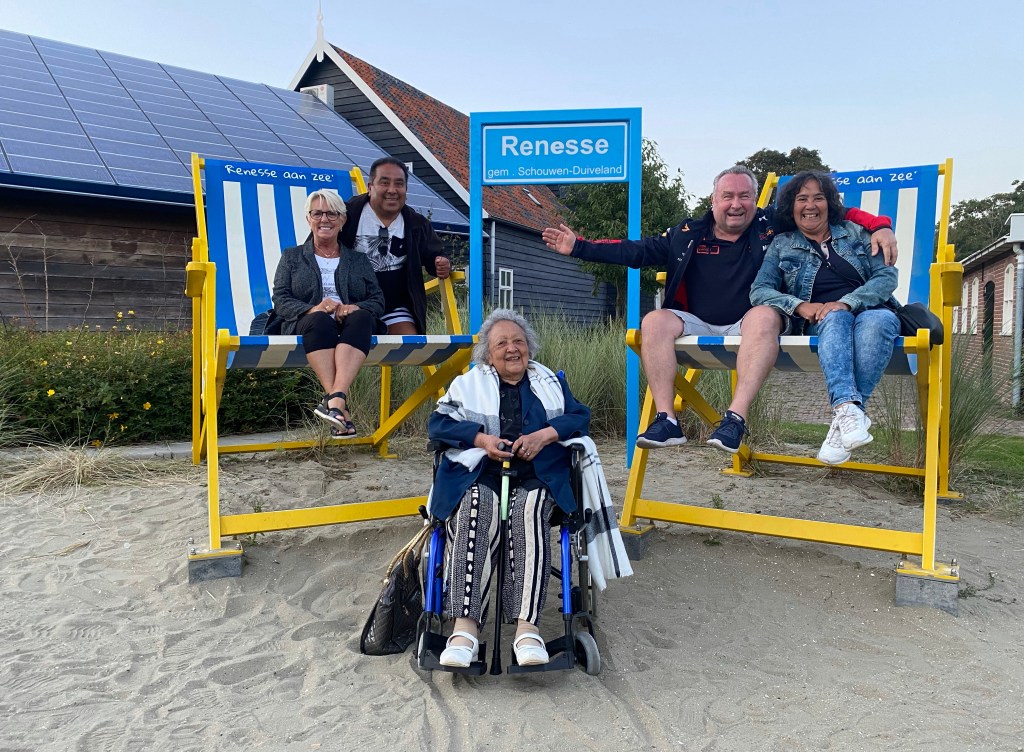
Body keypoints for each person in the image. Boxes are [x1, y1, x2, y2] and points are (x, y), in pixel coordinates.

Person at [542, 165, 898, 453]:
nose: (736, 204)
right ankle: (666, 420)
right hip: (696, 322)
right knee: (654, 321)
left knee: (764, 313)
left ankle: (735, 420)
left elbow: (829, 210)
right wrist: (580, 247)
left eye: (744, 196)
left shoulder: (772, 225)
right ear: (713, 200)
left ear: (755, 200)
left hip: (750, 324)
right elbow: (636, 251)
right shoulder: (687, 233)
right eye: (727, 196)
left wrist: (880, 225)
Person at [427, 309, 590, 668]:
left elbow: (580, 416)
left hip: (537, 474)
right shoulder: (467, 385)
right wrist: (481, 439)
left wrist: (544, 435)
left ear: (529, 347)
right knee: (475, 505)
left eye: (518, 341)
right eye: (502, 343)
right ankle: (465, 630)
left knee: (529, 510)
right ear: (488, 355)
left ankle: (527, 630)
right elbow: (437, 425)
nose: (512, 348)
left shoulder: (549, 382)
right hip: (480, 472)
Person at [750, 171, 900, 465]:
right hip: (822, 321)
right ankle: (849, 412)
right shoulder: (782, 244)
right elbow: (760, 290)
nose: (810, 205)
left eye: (818, 198)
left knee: (879, 322)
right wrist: (799, 306)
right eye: (802, 199)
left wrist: (847, 302)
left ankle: (844, 416)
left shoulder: (856, 232)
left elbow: (886, 277)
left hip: (872, 310)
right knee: (835, 318)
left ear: (829, 203)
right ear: (791, 207)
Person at [272, 189, 384, 437]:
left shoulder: (358, 260)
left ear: (342, 221)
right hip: (310, 325)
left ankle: (333, 403)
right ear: (308, 219)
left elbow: (377, 300)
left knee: (362, 316)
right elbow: (280, 299)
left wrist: (354, 307)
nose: (324, 219)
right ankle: (340, 403)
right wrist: (312, 308)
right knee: (319, 320)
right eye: (317, 213)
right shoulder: (292, 257)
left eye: (332, 214)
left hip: (352, 327)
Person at [339, 157, 452, 335]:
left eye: (399, 184)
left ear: (406, 190)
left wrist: (442, 263)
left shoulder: (416, 224)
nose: (392, 190)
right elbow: (314, 248)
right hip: (349, 305)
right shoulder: (346, 216)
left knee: (409, 343)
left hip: (394, 306)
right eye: (384, 183)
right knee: (350, 336)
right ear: (370, 187)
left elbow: (436, 254)